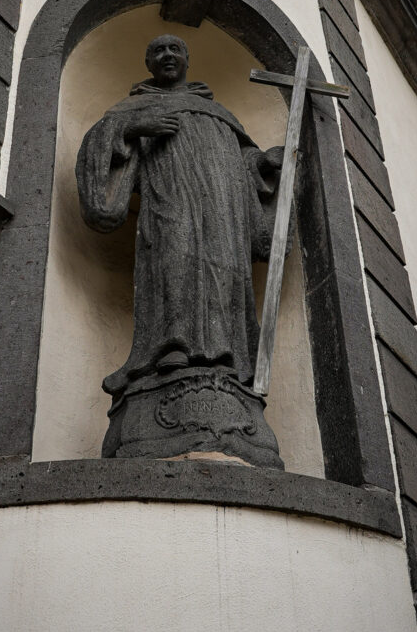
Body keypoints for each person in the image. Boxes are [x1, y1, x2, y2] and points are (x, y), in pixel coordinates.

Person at [76, 34, 283, 402]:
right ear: (148, 63)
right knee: (174, 263)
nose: (167, 55)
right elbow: (98, 142)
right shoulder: (134, 107)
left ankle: (227, 355)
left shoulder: (220, 112)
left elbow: (243, 161)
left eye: (175, 50)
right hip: (168, 202)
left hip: (220, 210)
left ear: (188, 58)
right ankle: (170, 346)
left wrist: (263, 164)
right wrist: (136, 127)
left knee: (222, 273)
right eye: (158, 50)